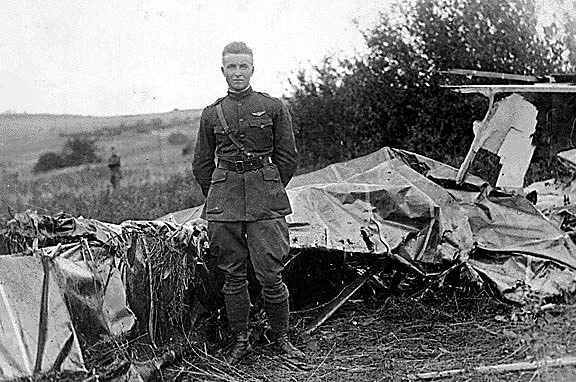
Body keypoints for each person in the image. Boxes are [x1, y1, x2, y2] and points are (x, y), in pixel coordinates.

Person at [192, 41, 304, 365]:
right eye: (231, 66)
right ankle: (240, 341)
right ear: (223, 70)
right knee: (232, 275)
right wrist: (217, 195)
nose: (237, 72)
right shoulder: (211, 113)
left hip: (264, 201)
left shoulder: (272, 107)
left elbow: (287, 156)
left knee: (271, 273)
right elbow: (201, 163)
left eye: (243, 66)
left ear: (252, 69)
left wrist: (269, 187)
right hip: (224, 203)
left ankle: (281, 339)